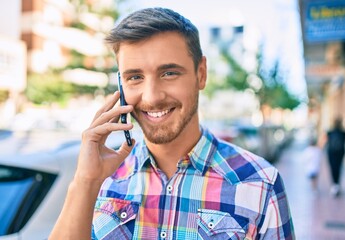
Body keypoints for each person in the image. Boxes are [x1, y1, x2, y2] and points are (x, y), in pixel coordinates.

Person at [49, 7, 294, 239]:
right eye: (135, 77)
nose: (152, 96)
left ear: (201, 74)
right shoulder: (101, 180)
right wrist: (85, 181)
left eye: (169, 73)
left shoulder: (261, 183)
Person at [324, 117, 345, 196]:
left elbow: (323, 141)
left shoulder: (330, 132)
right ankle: (337, 184)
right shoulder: (344, 132)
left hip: (331, 152)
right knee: (338, 167)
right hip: (341, 152)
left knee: (333, 168)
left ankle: (335, 185)